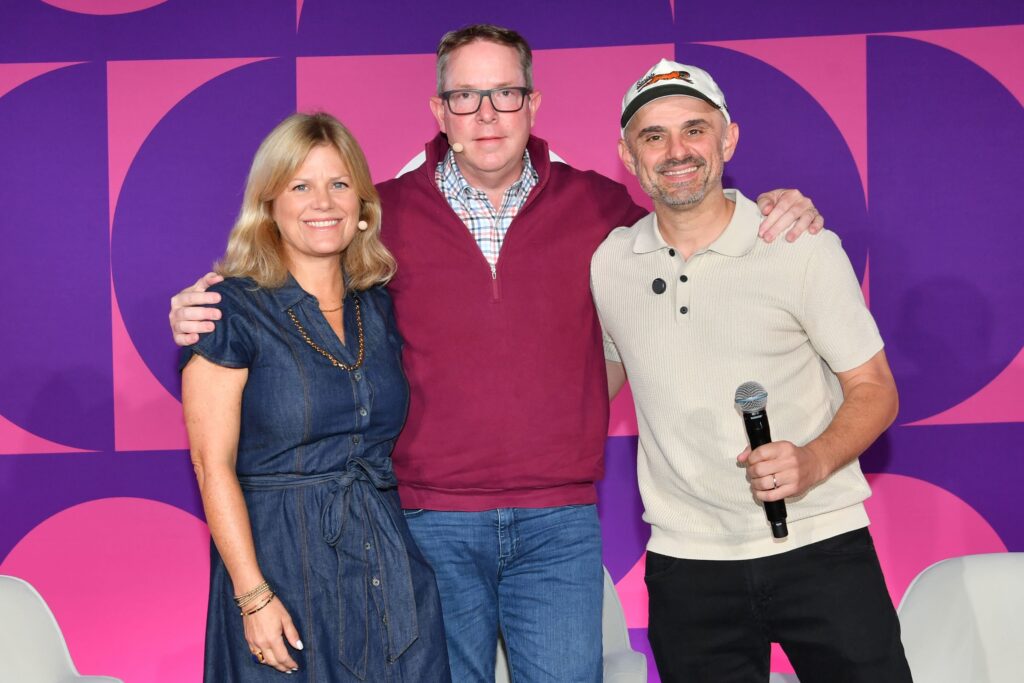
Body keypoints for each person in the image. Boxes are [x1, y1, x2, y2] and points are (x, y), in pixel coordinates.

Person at [171, 25, 824, 683]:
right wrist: (202, 303)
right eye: (466, 96)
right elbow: (290, 273)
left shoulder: (597, 205)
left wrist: (766, 206)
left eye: (505, 94)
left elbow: (691, 235)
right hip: (425, 522)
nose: (486, 114)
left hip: (557, 523)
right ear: (439, 111)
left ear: (534, 103)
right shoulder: (379, 216)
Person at [591, 60, 911, 682]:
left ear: (729, 138)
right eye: (653, 136)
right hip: (687, 566)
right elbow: (592, 384)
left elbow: (875, 390)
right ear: (627, 156)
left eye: (694, 130)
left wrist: (813, 461)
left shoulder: (798, 243)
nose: (676, 151)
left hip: (821, 545)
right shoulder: (612, 263)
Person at [181, 112, 450, 682]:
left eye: (339, 183)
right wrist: (253, 597)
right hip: (281, 566)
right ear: (270, 205)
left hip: (388, 564)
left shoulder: (378, 306)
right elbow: (211, 466)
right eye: (300, 185)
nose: (321, 201)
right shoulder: (226, 312)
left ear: (362, 207)